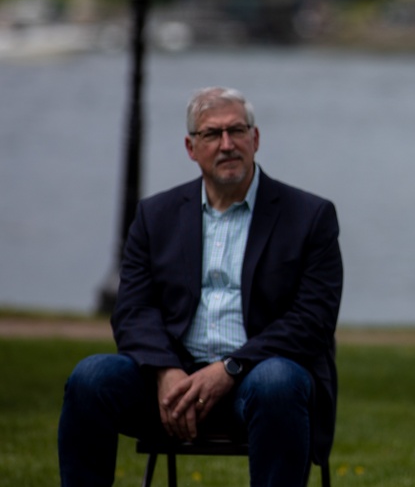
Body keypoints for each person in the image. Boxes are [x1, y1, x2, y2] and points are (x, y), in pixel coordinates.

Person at [58, 87, 344, 487]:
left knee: (280, 380)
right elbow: (132, 310)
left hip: (259, 379)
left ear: (255, 139)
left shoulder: (310, 217)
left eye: (236, 131)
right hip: (173, 382)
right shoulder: (155, 216)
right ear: (191, 148)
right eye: (211, 134)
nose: (227, 145)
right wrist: (164, 371)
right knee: (91, 377)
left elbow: (313, 321)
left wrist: (229, 369)